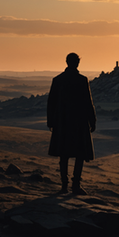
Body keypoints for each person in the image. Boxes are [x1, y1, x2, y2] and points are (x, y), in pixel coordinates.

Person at [47, 52, 96, 194]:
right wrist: (92, 120)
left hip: (62, 122)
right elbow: (88, 102)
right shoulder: (82, 80)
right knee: (79, 154)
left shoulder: (58, 80)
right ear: (77, 63)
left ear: (66, 62)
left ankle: (64, 185)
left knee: (64, 154)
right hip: (79, 122)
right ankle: (75, 184)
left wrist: (51, 121)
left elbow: (51, 103)